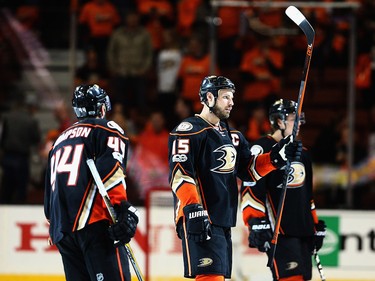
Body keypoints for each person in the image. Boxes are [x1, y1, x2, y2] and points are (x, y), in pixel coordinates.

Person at [168, 76, 301, 281]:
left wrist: (277, 157)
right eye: (226, 97)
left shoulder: (232, 135)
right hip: (200, 216)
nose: (231, 102)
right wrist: (193, 208)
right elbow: (180, 175)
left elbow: (248, 170)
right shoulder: (189, 130)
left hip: (222, 219)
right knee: (210, 277)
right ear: (209, 97)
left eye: (232, 97)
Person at [44, 84, 138, 281]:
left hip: (63, 230)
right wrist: (122, 210)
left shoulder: (59, 140)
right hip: (95, 224)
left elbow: (49, 195)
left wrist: (56, 225)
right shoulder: (105, 129)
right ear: (102, 107)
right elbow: (111, 172)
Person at [240, 99, 326, 281]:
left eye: (300, 119)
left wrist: (314, 225)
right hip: (279, 233)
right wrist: (254, 221)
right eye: (294, 118)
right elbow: (250, 188)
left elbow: (307, 197)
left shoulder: (303, 154)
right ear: (279, 122)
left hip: (302, 230)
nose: (299, 124)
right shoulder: (262, 148)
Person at [0, 94, 41, 204]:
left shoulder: (7, 117)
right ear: (31, 107)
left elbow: (2, 136)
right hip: (22, 158)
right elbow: (36, 139)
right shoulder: (31, 121)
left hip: (8, 157)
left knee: (6, 189)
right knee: (21, 190)